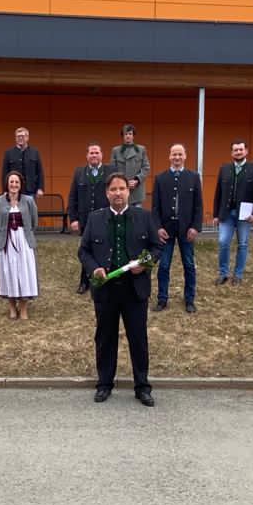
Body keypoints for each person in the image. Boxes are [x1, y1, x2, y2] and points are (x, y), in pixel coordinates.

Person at [79, 173, 163, 407]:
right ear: (107, 193)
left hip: (135, 289)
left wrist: (145, 264)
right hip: (106, 289)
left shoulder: (144, 217)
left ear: (129, 191)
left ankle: (142, 387)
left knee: (138, 338)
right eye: (113, 189)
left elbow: (156, 247)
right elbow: (83, 251)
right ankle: (104, 384)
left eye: (122, 189)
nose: (118, 193)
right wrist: (94, 268)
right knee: (105, 337)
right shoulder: (95, 219)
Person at [151, 144, 202, 313]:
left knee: (189, 265)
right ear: (169, 156)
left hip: (187, 230)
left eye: (180, 154)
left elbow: (198, 206)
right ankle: (162, 299)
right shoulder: (160, 178)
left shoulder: (194, 177)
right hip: (166, 230)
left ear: (185, 156)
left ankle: (189, 299)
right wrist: (158, 227)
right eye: (174, 154)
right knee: (164, 266)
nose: (177, 157)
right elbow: (155, 207)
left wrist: (195, 227)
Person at [212, 139, 253, 287]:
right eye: (235, 150)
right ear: (232, 153)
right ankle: (223, 273)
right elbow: (218, 193)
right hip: (226, 213)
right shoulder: (224, 169)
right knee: (223, 242)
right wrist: (215, 214)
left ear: (246, 151)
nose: (238, 152)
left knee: (243, 244)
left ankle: (238, 275)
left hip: (245, 215)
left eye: (241, 149)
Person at [0, 170, 39, 320]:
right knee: (9, 272)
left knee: (24, 272)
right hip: (6, 242)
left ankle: (23, 308)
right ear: (7, 184)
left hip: (23, 241)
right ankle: (12, 307)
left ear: (21, 184)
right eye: (11, 181)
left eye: (17, 182)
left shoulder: (28, 200)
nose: (14, 184)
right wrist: (4, 233)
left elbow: (34, 222)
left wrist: (23, 234)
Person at [67, 142, 109, 294]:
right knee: (86, 250)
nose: (94, 155)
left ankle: (101, 280)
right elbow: (73, 197)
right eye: (91, 153)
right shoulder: (79, 172)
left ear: (101, 155)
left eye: (97, 152)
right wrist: (73, 219)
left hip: (105, 219)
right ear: (87, 156)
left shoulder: (110, 171)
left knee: (104, 250)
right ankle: (84, 282)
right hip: (86, 220)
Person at [110, 124, 150, 207]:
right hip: (121, 190)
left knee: (137, 214)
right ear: (123, 136)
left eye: (130, 134)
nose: (128, 136)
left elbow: (146, 167)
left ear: (133, 136)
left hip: (137, 191)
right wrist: (123, 182)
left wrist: (137, 180)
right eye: (126, 134)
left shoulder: (141, 149)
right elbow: (112, 169)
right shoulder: (116, 150)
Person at [1, 127, 44, 197]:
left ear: (27, 137)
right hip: (14, 190)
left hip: (31, 190)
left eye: (22, 136)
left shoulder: (34, 152)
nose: (20, 138)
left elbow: (39, 172)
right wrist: (5, 190)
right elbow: (4, 173)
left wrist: (40, 188)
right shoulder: (9, 153)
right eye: (18, 136)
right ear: (15, 138)